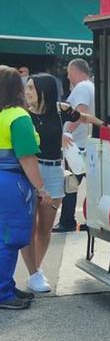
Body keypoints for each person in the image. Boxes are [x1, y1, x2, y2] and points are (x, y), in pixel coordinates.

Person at [21, 74, 103, 293]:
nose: (27, 92)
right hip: (31, 170)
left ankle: (36, 269)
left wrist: (104, 125)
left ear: (44, 90)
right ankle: (33, 273)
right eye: (26, 88)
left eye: (31, 88)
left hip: (55, 171)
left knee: (44, 228)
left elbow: (82, 117)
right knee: (28, 227)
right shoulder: (22, 114)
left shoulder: (60, 108)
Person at [0, 66, 51, 310]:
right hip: (11, 182)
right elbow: (27, 157)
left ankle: (6, 286)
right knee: (10, 239)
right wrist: (41, 188)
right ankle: (3, 292)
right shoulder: (18, 117)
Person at [55, 58, 95, 233]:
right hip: (83, 142)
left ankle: (67, 221)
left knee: (70, 183)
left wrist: (68, 131)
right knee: (91, 185)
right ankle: (90, 219)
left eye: (69, 72)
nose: (68, 76)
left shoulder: (82, 88)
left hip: (77, 144)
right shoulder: (90, 86)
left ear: (77, 71)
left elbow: (81, 111)